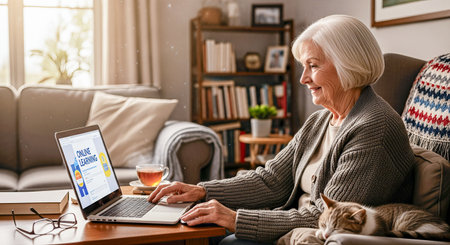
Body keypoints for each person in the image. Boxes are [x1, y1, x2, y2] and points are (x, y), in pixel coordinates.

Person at [148, 15, 414, 244]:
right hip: (290, 228)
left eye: (313, 65)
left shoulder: (374, 128)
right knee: (186, 228)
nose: (303, 78)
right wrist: (203, 191)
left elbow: (320, 218)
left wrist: (235, 218)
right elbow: (272, 180)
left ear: (348, 64)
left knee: (211, 237)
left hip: (313, 236)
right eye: (303, 67)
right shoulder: (320, 121)